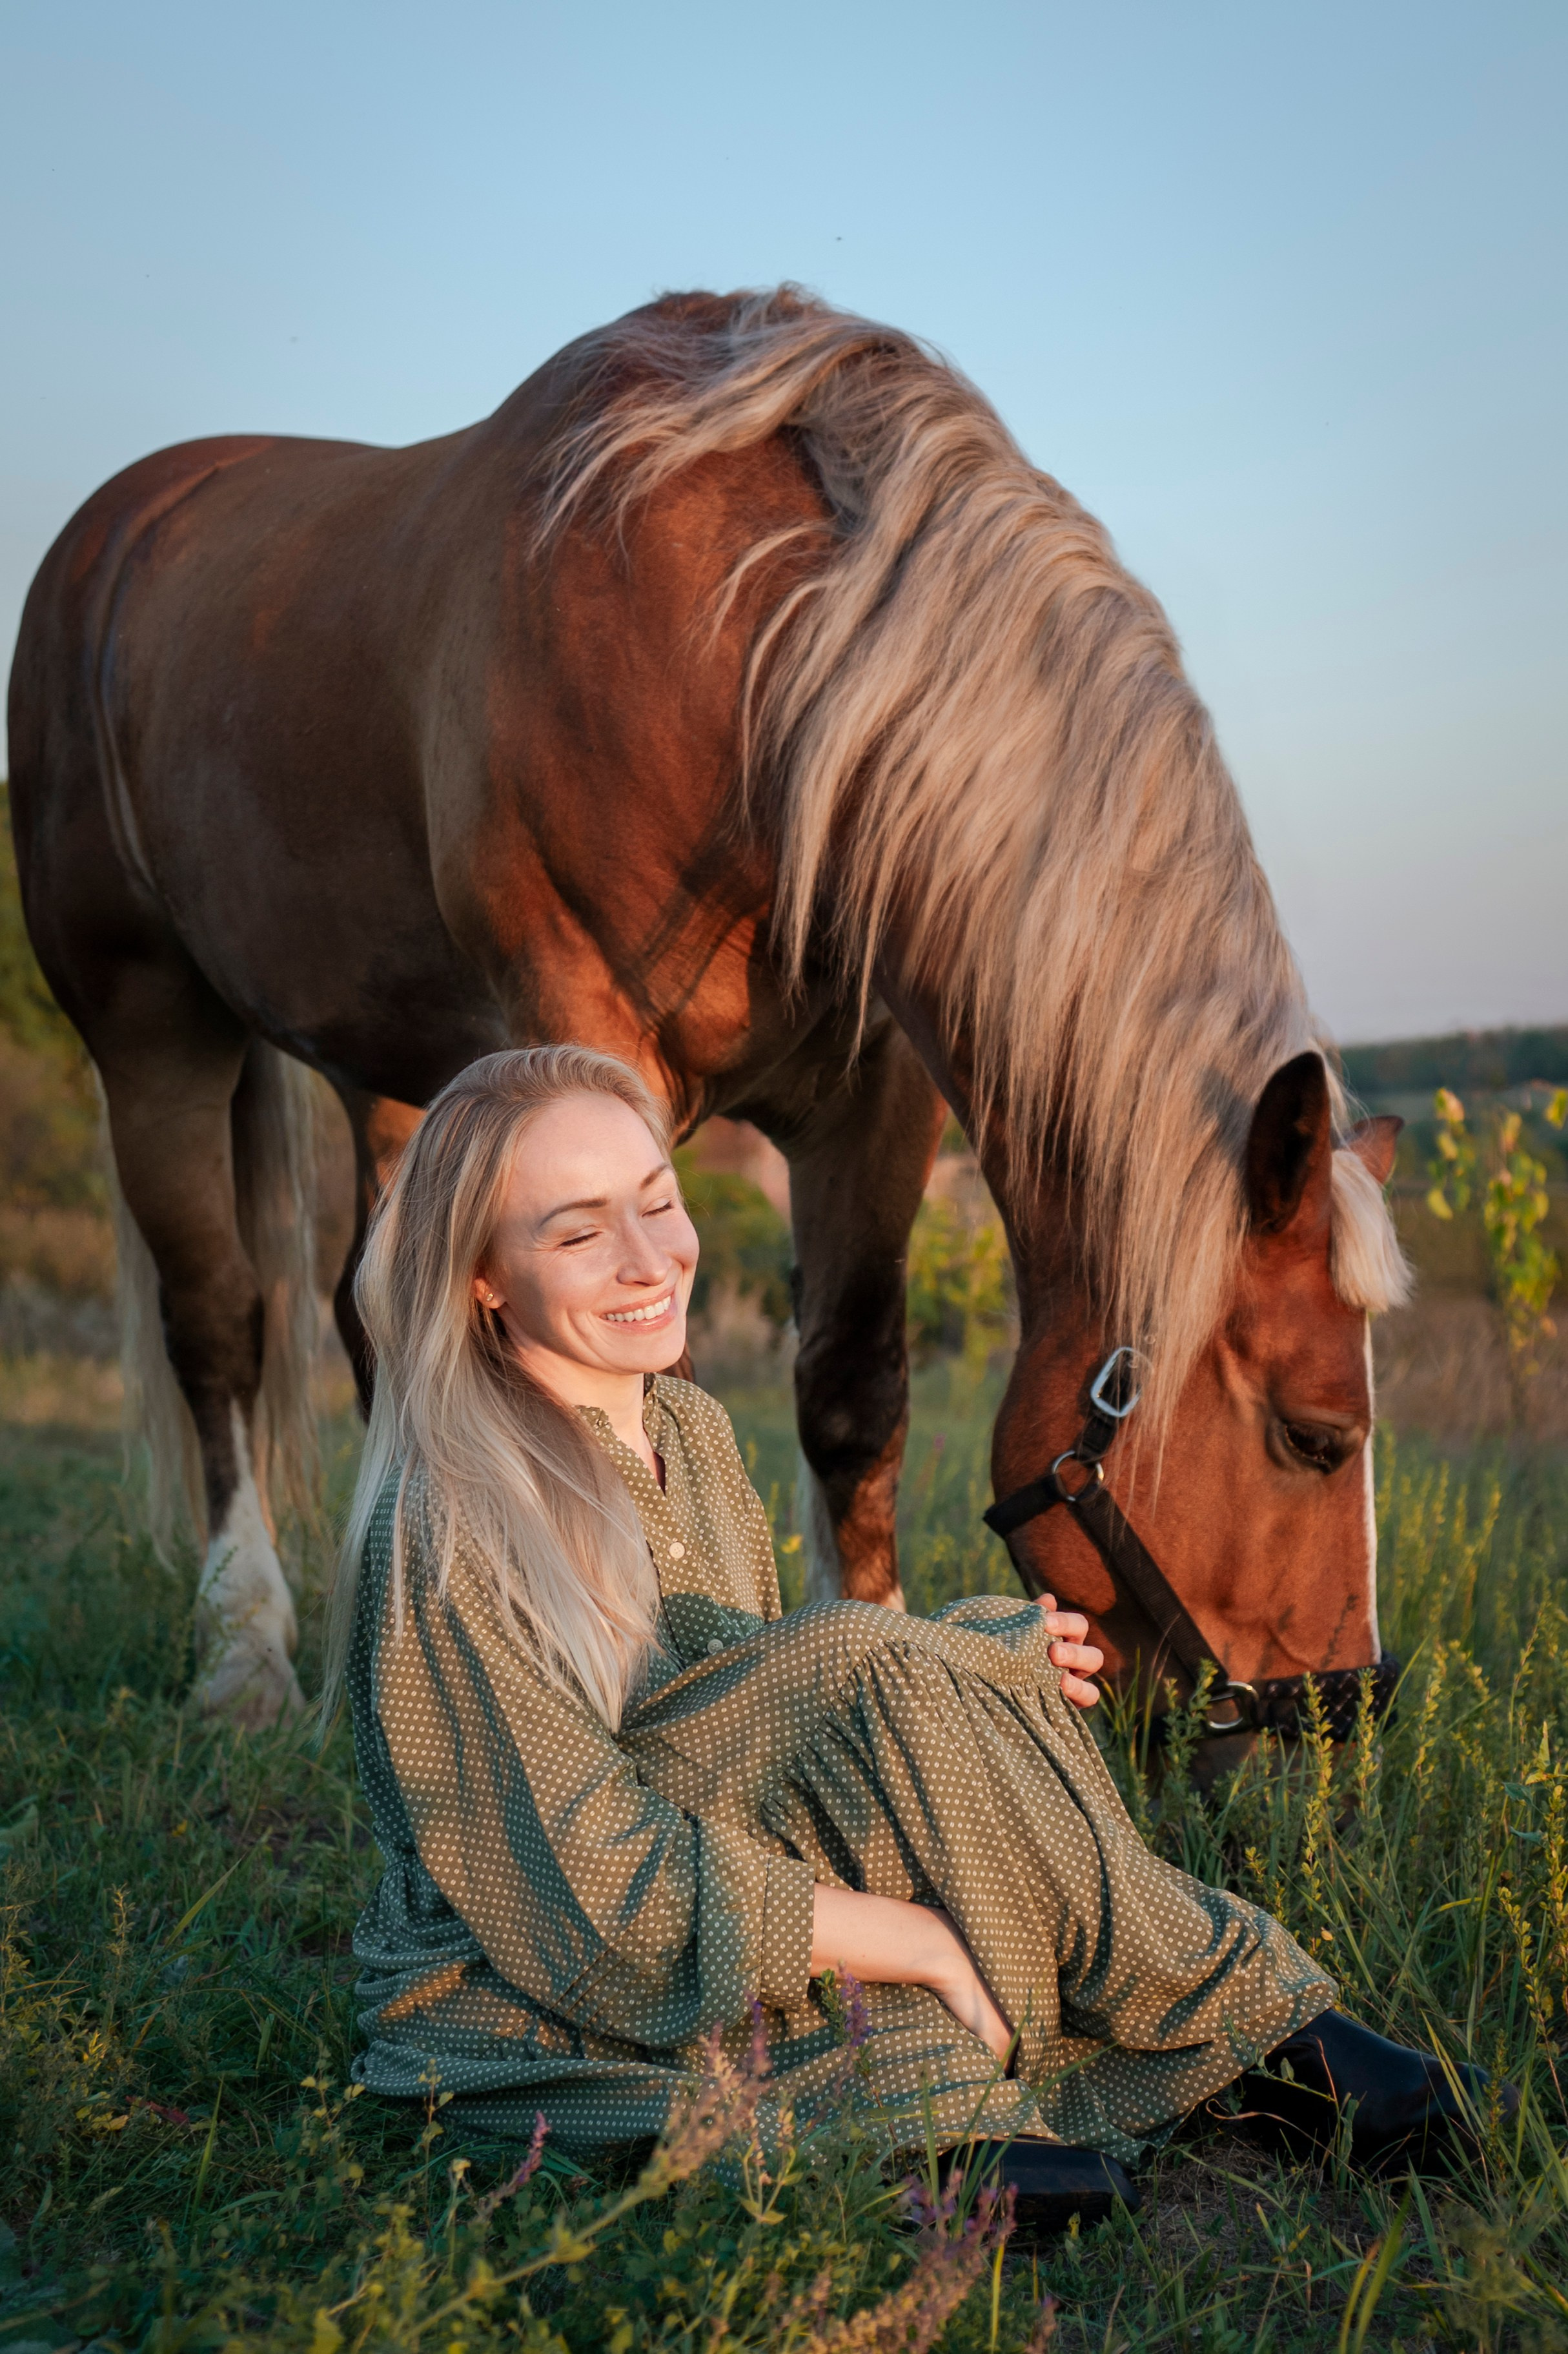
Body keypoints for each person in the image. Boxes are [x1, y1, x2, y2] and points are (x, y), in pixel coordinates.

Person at [327, 1046, 1497, 2232]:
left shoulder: (688, 1426)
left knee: (970, 1652)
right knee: (919, 2023)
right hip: (540, 1963)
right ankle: (1239, 2027)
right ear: (481, 1275)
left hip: (711, 1862)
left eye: (660, 1202)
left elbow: (756, 1711)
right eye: (579, 1234)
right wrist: (917, 1938)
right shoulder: (459, 1525)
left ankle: (1241, 2039)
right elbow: (598, 1892)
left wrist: (988, 1658)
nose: (649, 1260)